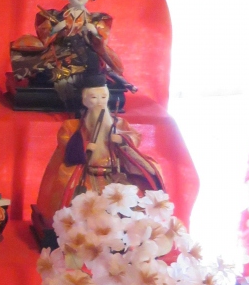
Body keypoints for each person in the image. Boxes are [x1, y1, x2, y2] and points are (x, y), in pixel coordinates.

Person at [32, 74, 165, 241]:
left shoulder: (118, 123)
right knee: (80, 203)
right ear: (84, 100)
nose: (99, 102)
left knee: (130, 198)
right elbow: (65, 142)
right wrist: (84, 146)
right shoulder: (72, 125)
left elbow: (135, 136)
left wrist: (122, 139)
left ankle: (127, 230)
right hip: (86, 173)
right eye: (94, 97)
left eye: (103, 97)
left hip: (114, 173)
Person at [10, 0, 133, 100]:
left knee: (96, 68)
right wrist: (56, 28)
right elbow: (44, 36)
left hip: (86, 51)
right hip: (59, 51)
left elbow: (101, 40)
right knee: (45, 73)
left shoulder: (97, 18)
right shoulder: (55, 15)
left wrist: (95, 31)